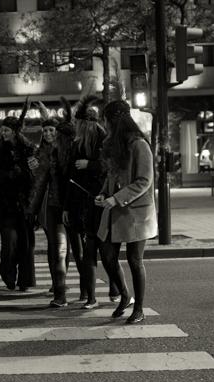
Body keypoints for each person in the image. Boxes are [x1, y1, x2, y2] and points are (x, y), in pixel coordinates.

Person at [94, 99, 156, 325]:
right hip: (115, 209)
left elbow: (144, 180)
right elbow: (111, 176)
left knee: (134, 260)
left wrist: (116, 198)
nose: (106, 125)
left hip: (136, 213)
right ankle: (125, 295)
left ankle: (139, 308)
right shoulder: (114, 144)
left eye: (107, 120)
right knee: (108, 255)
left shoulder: (139, 144)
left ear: (115, 120)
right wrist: (103, 194)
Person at [63, 95, 121, 309]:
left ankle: (116, 289)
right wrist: (67, 206)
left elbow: (111, 169)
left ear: (87, 123)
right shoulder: (77, 144)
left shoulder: (104, 141)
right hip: (82, 203)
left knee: (106, 250)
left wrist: (90, 165)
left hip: (101, 200)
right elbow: (71, 177)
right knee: (88, 250)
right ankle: (90, 297)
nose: (76, 127)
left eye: (79, 123)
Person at [28, 102, 74, 307]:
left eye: (51, 130)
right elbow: (38, 180)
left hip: (63, 202)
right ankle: (58, 286)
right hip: (46, 204)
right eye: (45, 130)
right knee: (54, 245)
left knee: (64, 246)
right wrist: (34, 168)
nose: (47, 133)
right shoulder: (39, 152)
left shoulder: (65, 150)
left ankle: (67, 287)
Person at [0, 102, 36, 291]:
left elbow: (35, 176)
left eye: (6, 130)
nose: (3, 133)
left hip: (24, 205)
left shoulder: (29, 149)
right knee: (9, 245)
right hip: (5, 206)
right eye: (2, 130)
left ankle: (24, 280)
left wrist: (23, 173)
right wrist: (8, 175)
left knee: (25, 245)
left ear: (15, 131)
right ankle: (8, 274)